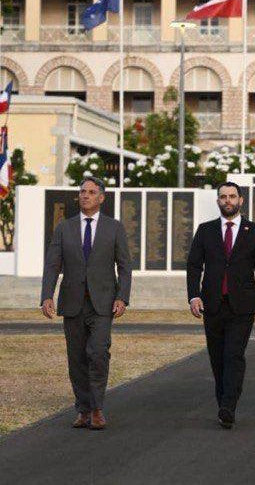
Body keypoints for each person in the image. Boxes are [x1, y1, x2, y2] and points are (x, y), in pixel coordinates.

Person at [40, 176, 132, 430]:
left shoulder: (114, 228)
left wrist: (122, 297)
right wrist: (47, 295)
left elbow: (124, 266)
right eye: (82, 192)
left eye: (91, 192)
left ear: (101, 198)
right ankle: (83, 409)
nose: (85, 196)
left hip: (103, 303)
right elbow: (52, 264)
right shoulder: (64, 228)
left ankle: (97, 408)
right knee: (77, 357)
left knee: (99, 353)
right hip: (72, 302)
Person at [186, 181, 255, 429]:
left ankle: (228, 406)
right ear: (218, 201)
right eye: (223, 197)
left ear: (241, 200)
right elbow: (194, 265)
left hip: (242, 306)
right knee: (217, 358)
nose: (228, 201)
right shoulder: (205, 231)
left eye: (232, 196)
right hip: (212, 305)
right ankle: (222, 403)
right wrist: (194, 296)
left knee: (233, 355)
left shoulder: (254, 231)